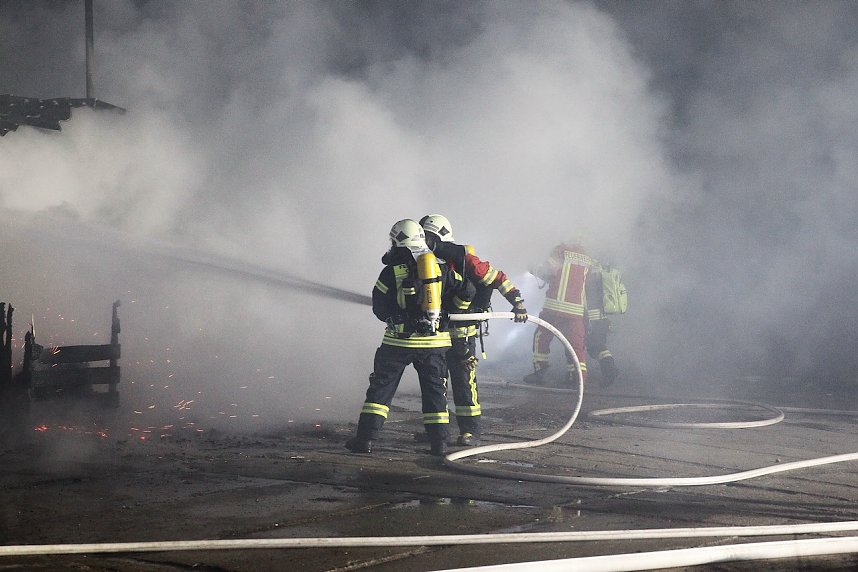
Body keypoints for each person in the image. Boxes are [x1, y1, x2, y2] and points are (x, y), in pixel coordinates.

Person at [345, 219, 475, 457]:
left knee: (380, 391)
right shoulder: (443, 268)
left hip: (397, 343)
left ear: (398, 242)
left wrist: (394, 317)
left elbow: (379, 307)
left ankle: (365, 440)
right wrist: (451, 312)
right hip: (435, 345)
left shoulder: (391, 271)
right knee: (435, 392)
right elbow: (468, 291)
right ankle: (439, 445)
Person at [419, 214, 528, 446]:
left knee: (463, 381)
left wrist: (517, 303)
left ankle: (471, 431)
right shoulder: (421, 259)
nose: (423, 243)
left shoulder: (463, 260)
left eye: (427, 238)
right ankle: (439, 433)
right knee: (436, 383)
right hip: (436, 331)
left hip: (461, 331)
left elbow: (498, 278)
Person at [524, 241, 592, 386]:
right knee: (576, 347)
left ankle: (541, 373)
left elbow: (547, 271)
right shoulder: (587, 257)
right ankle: (579, 379)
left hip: (555, 308)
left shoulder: (561, 250)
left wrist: (531, 268)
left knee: (541, 337)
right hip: (576, 311)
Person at [584, 260, 619, 386]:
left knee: (595, 347)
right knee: (598, 346)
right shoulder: (600, 268)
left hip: (593, 318)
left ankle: (609, 371)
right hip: (602, 316)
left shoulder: (588, 271)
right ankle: (610, 369)